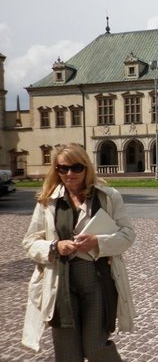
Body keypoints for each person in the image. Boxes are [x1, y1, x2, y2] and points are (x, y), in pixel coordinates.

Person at [22, 143, 136, 361]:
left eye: (76, 167)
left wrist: (97, 241)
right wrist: (54, 247)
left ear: (86, 167)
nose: (69, 174)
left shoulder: (108, 196)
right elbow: (29, 242)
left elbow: (128, 235)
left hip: (96, 280)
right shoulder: (48, 200)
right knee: (67, 354)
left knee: (96, 348)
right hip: (61, 282)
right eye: (62, 168)